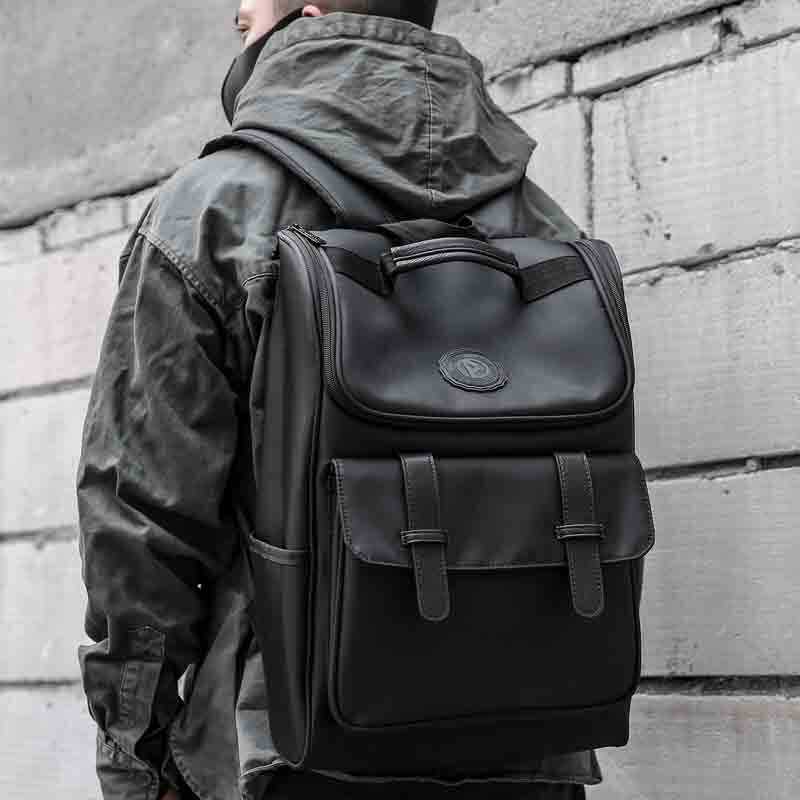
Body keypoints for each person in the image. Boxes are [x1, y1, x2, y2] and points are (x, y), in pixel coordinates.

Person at [76, 2, 604, 799]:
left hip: (292, 753)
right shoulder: (546, 226)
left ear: (311, 13)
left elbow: (140, 525)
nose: (239, 11)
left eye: (253, 7)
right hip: (531, 747)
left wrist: (135, 761)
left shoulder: (212, 211)